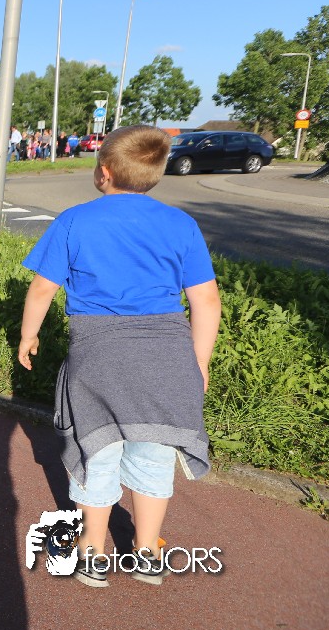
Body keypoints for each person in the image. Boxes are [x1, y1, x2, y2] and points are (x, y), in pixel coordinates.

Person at [17, 125, 221, 588]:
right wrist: (200, 362)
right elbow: (206, 302)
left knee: (97, 450)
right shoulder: (181, 225)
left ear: (104, 172)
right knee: (153, 454)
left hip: (99, 356)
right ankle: (147, 552)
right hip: (167, 357)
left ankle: (92, 550)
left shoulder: (74, 221)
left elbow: (43, 288)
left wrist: (29, 335)